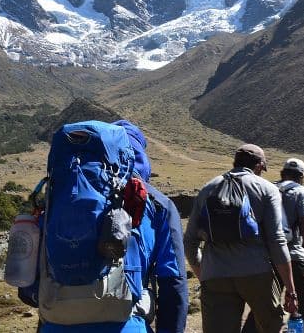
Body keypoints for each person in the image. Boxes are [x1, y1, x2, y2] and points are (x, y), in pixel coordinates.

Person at [20, 120, 189, 333]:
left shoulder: (57, 200)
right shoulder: (158, 204)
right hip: (126, 325)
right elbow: (173, 283)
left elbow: (27, 289)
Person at [184, 144, 297, 333]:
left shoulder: (208, 188)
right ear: (259, 166)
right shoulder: (267, 189)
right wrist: (291, 289)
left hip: (215, 274)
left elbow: (189, 241)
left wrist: (204, 274)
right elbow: (277, 241)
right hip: (257, 272)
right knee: (270, 326)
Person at [245, 159, 304, 333]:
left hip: (268, 258)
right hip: (294, 255)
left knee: (263, 306)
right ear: (301, 176)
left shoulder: (267, 188)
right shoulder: (302, 192)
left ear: (282, 172)